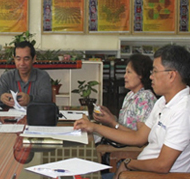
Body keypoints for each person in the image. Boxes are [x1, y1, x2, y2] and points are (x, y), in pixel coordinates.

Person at [74, 45, 190, 179]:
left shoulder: (183, 110)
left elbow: (162, 165)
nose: (151, 77)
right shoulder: (163, 102)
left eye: (155, 71)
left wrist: (129, 164)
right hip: (138, 170)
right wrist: (94, 127)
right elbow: (138, 137)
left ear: (171, 75)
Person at [95, 54, 157, 131]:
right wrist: (109, 116)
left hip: (130, 143)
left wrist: (112, 123)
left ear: (140, 75)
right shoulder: (130, 94)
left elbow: (140, 138)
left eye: (129, 72)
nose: (125, 76)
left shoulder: (145, 98)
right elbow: (124, 124)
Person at [0, 41, 52, 107]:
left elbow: (47, 98)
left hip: (35, 115)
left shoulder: (42, 76)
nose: (22, 63)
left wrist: (30, 99)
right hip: (11, 116)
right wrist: (1, 98)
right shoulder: (6, 77)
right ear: (14, 59)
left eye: (26, 59)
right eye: (18, 59)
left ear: (34, 59)